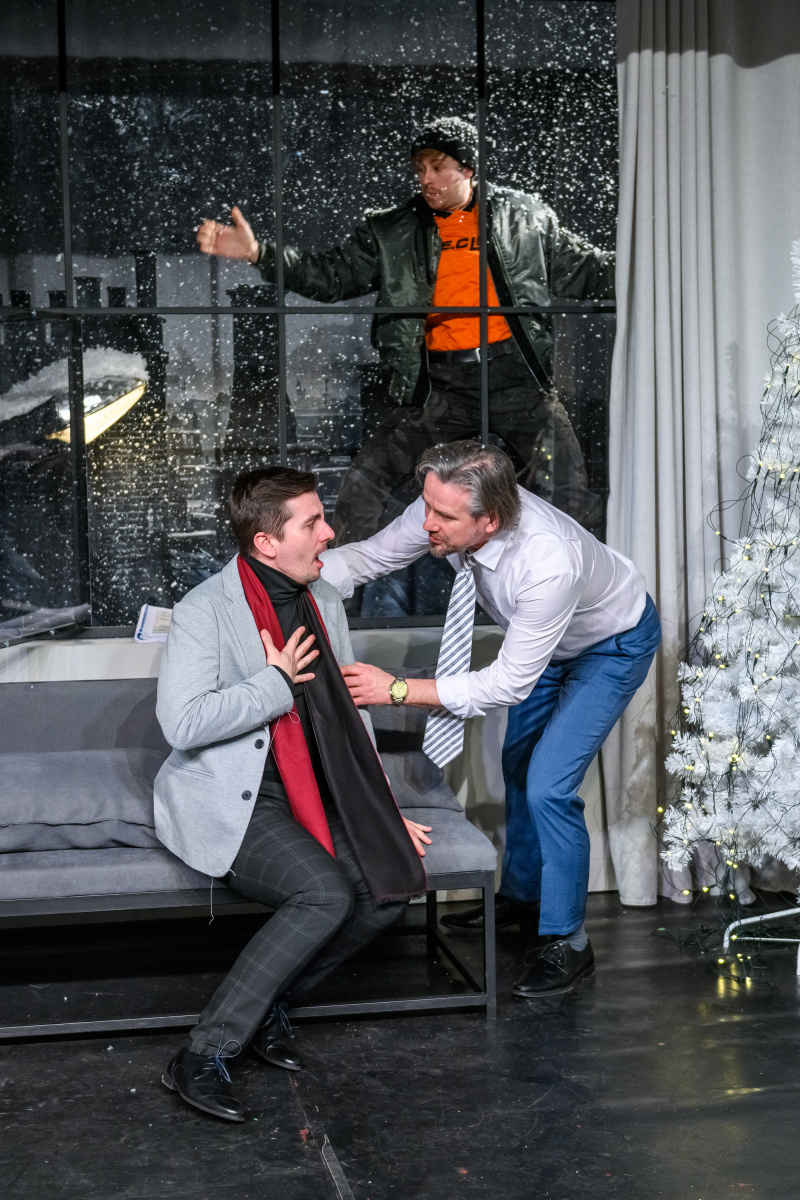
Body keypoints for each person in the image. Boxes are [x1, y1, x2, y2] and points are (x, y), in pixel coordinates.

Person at [320, 440, 661, 999]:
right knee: (518, 763)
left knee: (549, 786)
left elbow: (506, 685)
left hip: (611, 646)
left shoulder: (547, 562)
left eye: (443, 516)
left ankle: (568, 941)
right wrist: (279, 578)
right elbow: (369, 558)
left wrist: (397, 689)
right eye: (427, 505)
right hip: (545, 644)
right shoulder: (449, 505)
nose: (426, 523)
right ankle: (523, 897)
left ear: (490, 520)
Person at [154, 466, 431, 1122]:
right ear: (266, 543)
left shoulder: (323, 597)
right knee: (324, 893)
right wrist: (273, 684)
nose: (330, 533)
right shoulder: (203, 610)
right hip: (239, 798)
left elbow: (346, 715)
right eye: (313, 523)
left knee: (390, 885)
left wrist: (382, 812)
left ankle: (265, 1004)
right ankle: (200, 1054)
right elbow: (182, 724)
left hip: (316, 789)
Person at [196, 116, 614, 546]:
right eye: (419, 169)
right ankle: (339, 585)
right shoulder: (393, 230)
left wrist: (654, 256)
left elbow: (589, 272)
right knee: (365, 485)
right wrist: (258, 253)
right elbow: (331, 276)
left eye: (437, 167)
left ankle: (576, 580)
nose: (425, 178)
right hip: (439, 386)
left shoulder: (524, 219)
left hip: (516, 378)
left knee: (568, 490)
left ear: (468, 169)